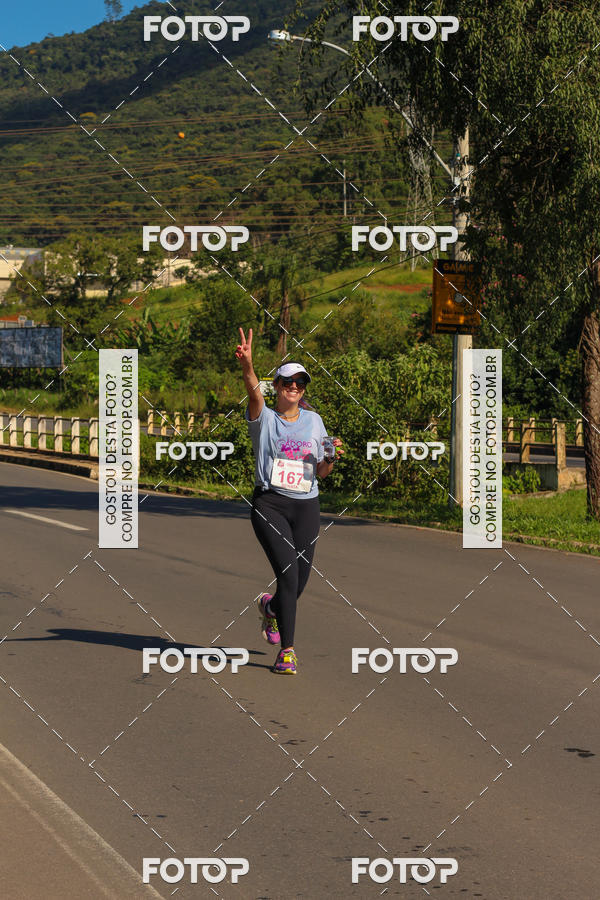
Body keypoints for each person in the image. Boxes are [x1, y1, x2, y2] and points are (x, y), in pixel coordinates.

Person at [235, 326, 343, 675]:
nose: (294, 386)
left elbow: (323, 472)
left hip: (307, 505)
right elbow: (253, 391)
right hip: (271, 504)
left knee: (301, 580)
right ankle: (288, 651)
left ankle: (271, 609)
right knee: (287, 574)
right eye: (287, 382)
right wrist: (248, 365)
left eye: (299, 382)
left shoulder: (315, 421)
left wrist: (330, 459)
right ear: (277, 387)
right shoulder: (263, 417)